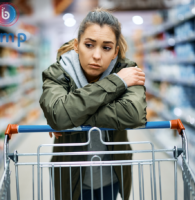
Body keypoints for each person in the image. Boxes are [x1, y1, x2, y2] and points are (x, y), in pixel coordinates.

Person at [39, 7, 147, 200]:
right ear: (76, 45)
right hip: (70, 177)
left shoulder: (128, 70)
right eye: (89, 45)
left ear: (115, 52)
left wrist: (70, 116)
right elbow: (58, 115)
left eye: (106, 48)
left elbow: (134, 114)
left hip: (112, 175)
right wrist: (116, 82)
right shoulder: (57, 73)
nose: (97, 55)